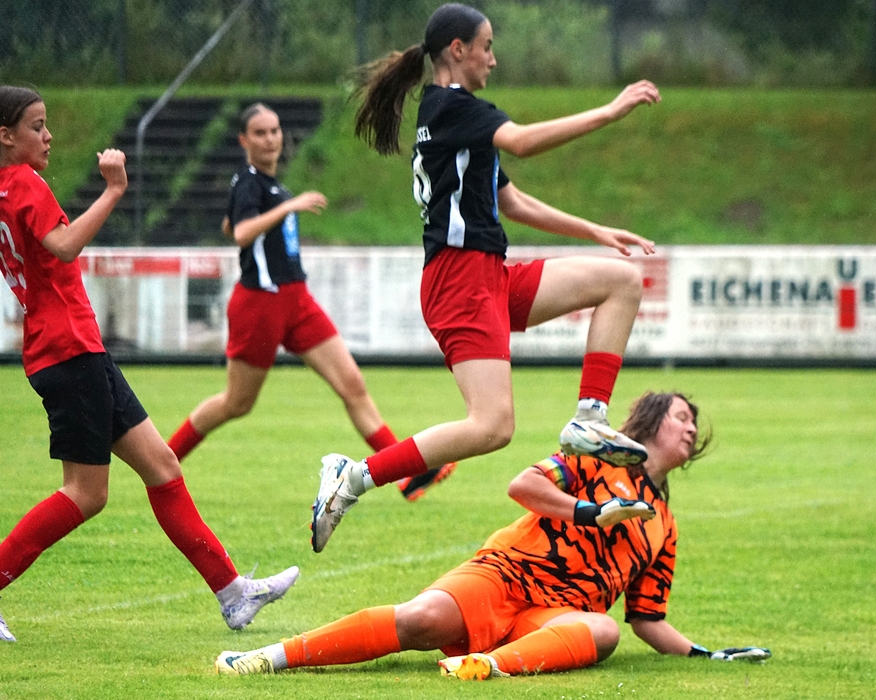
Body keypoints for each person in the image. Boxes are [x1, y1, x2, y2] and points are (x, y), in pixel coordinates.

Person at [310, 2, 662, 553]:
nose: (493, 60)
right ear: (458, 50)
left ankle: (589, 419)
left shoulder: (455, 117)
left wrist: (594, 230)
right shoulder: (452, 106)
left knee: (621, 281)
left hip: (486, 275)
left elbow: (511, 201)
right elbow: (522, 141)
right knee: (492, 426)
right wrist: (610, 111)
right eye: (487, 47)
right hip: (459, 282)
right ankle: (353, 477)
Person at [0, 86, 298, 643]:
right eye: (36, 126)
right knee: (85, 492)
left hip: (73, 347)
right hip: (68, 350)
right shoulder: (22, 182)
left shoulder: (6, 186)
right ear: (5, 136)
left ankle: (233, 593)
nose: (48, 136)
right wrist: (114, 189)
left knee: (162, 467)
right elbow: (64, 245)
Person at [215, 391, 771, 678]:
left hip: (555, 615)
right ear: (650, 421)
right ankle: (271, 656)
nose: (691, 427)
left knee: (604, 631)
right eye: (681, 416)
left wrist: (708, 655)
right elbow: (522, 485)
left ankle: (488, 666)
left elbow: (647, 618)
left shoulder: (665, 526)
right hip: (507, 574)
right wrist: (590, 512)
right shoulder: (596, 456)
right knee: (421, 620)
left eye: (693, 422)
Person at [165, 102, 454, 503]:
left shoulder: (267, 185)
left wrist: (274, 207)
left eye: (275, 130)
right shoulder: (250, 182)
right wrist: (288, 206)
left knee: (352, 385)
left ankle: (408, 471)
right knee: (236, 403)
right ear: (244, 140)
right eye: (260, 133)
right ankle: (164, 459)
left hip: (297, 301)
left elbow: (230, 224)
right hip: (260, 303)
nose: (270, 139)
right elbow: (242, 233)